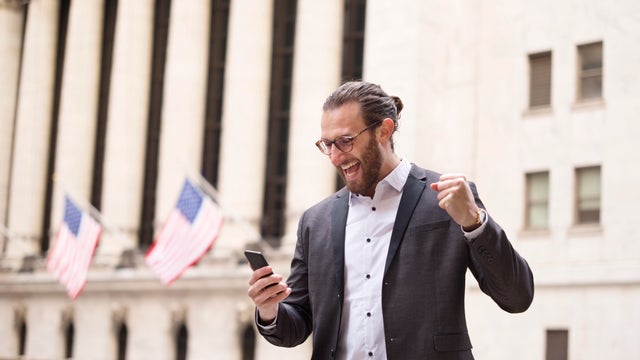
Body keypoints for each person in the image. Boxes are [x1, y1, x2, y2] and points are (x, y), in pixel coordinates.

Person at [247, 81, 534, 359]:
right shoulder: (315, 222)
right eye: (327, 144)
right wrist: (270, 309)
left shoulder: (448, 199)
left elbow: (516, 297)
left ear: (384, 130)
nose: (334, 157)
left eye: (345, 141)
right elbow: (295, 326)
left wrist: (474, 223)